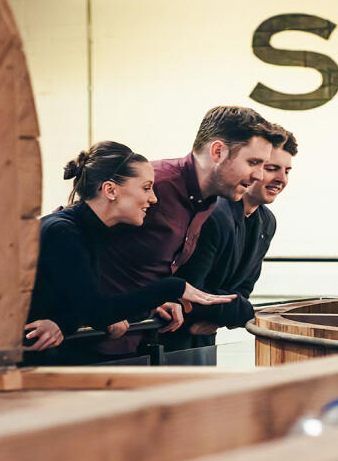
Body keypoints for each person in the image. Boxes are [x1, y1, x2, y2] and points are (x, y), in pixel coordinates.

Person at [22, 141, 235, 362]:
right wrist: (173, 287)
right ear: (110, 190)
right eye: (146, 188)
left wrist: (149, 307)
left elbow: (88, 303)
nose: (153, 198)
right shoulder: (63, 232)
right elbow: (96, 311)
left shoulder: (89, 233)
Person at [96, 106, 285, 354]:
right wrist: (93, 309)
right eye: (253, 163)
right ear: (218, 152)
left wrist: (152, 303)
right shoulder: (158, 184)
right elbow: (67, 233)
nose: (259, 175)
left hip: (134, 345)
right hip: (85, 344)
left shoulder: (205, 202)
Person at [168, 125, 297, 350]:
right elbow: (191, 292)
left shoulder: (267, 220)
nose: (281, 179)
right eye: (271, 168)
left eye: (287, 171)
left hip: (205, 337)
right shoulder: (213, 214)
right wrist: (239, 311)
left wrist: (222, 315)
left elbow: (244, 288)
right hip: (168, 336)